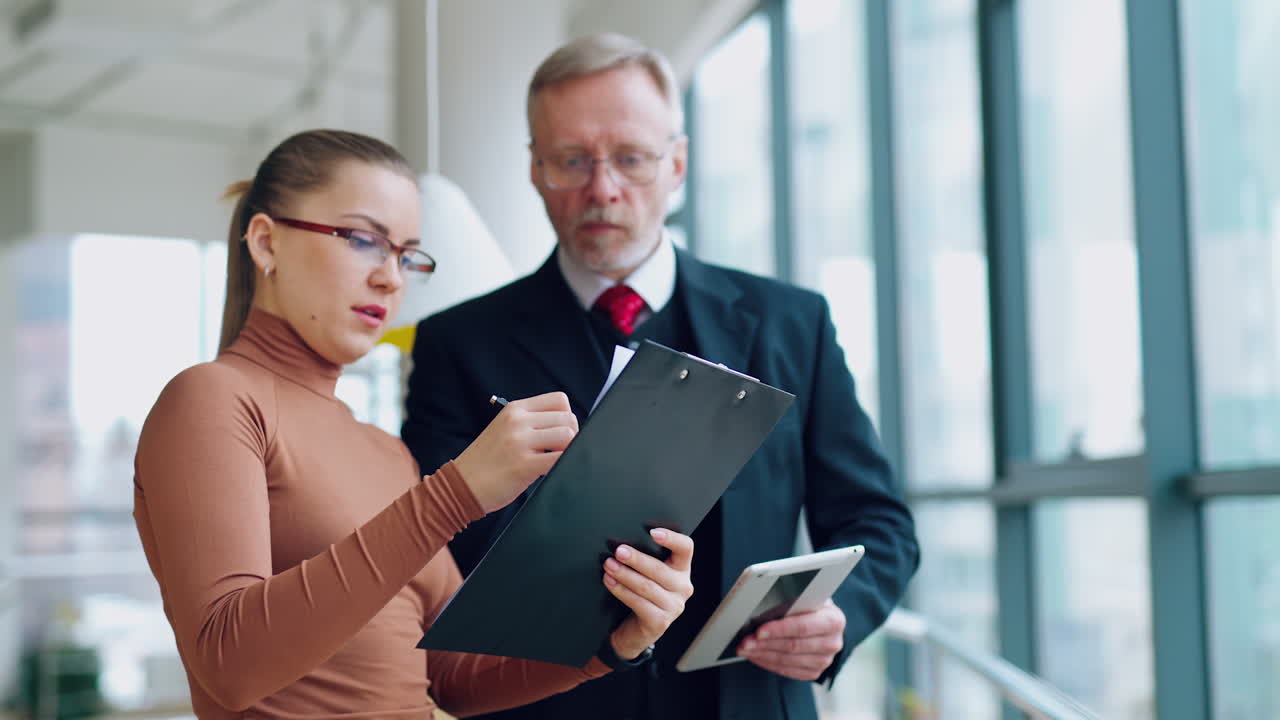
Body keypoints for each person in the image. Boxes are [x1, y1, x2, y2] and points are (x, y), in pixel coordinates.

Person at [400, 33, 919, 720]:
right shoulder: (456, 345)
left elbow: (877, 519)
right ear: (533, 168)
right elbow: (433, 546)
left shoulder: (793, 323)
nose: (602, 188)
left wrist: (840, 616)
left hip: (748, 700)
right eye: (570, 161)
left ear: (676, 163)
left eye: (632, 159)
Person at [132, 129, 695, 720]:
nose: (391, 278)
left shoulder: (384, 452)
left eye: (406, 255)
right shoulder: (213, 399)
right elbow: (229, 662)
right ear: (267, 243)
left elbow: (450, 673)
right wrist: (455, 492)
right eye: (362, 240)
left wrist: (611, 645)